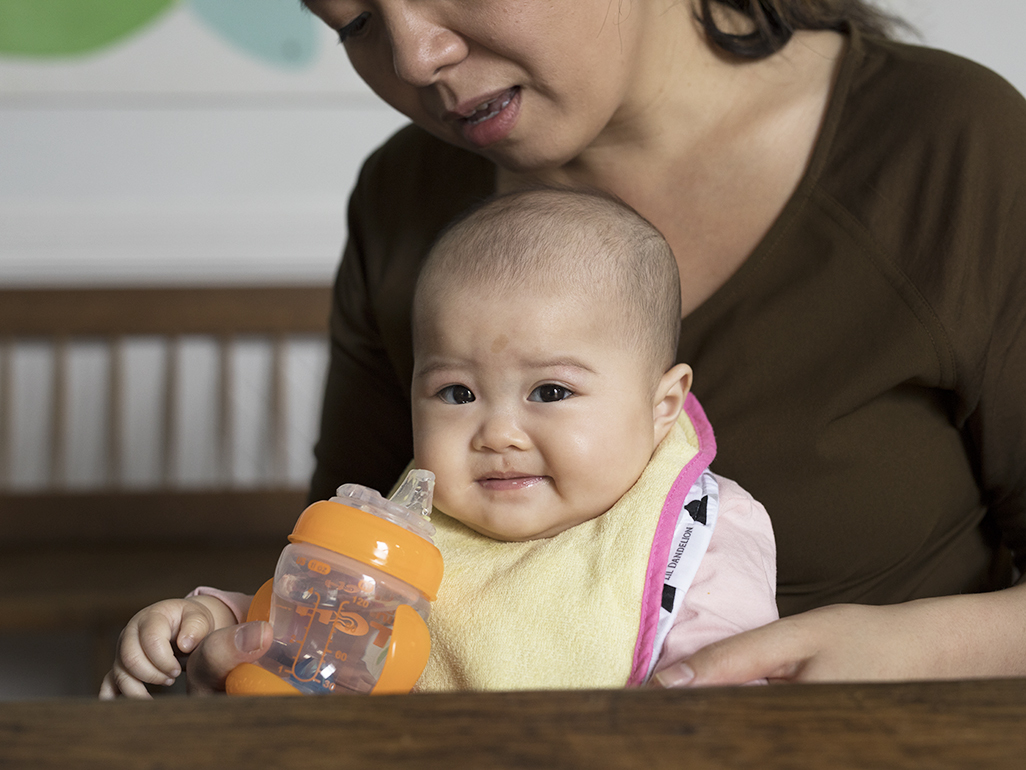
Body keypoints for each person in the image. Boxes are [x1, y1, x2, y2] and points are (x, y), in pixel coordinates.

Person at [110, 0, 1026, 693]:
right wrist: (229, 647)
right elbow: (351, 570)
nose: (415, 55)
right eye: (350, 22)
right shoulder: (404, 200)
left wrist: (904, 651)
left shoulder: (954, 149)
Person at [101, 188, 777, 696]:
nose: (499, 434)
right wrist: (206, 623)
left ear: (662, 406)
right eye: (457, 394)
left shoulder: (694, 539)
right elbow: (302, 627)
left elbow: (722, 710)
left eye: (550, 392)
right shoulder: (406, 532)